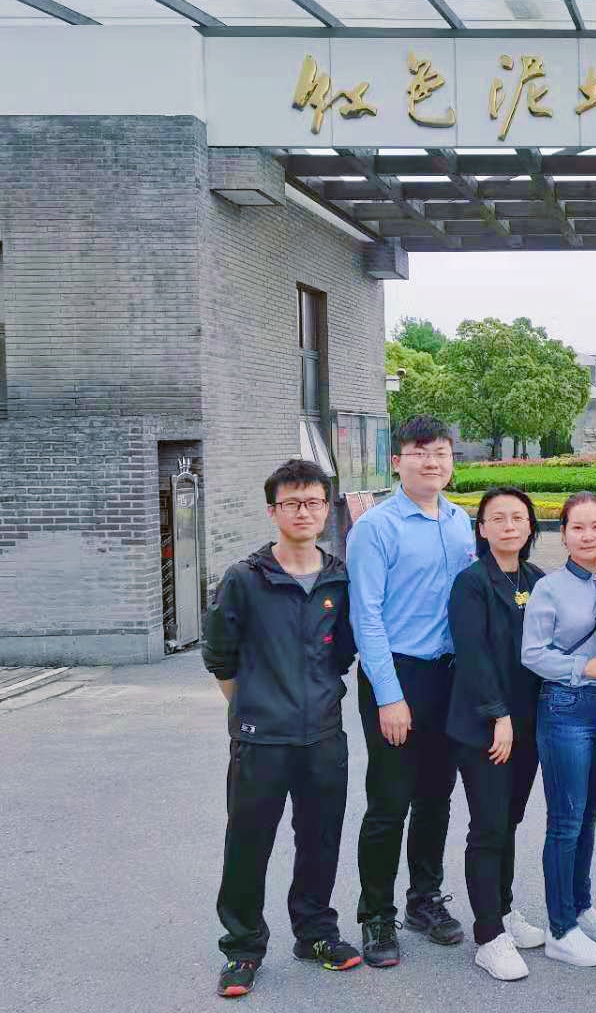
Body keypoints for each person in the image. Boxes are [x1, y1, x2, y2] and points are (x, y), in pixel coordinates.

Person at [203, 460, 361, 999]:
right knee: (248, 844)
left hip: (323, 736)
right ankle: (243, 948)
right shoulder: (245, 579)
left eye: (313, 502)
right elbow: (220, 657)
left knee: (320, 839)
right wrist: (253, 706)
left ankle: (314, 933)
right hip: (261, 738)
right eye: (292, 503)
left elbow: (343, 653)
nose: (303, 512)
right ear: (273, 511)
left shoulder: (339, 577)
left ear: (326, 508)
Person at [348, 416, 476, 968]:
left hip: (449, 677)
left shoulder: (460, 521)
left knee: (435, 797)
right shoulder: (376, 528)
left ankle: (424, 899)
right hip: (397, 675)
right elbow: (366, 616)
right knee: (389, 801)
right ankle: (376, 914)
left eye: (441, 452)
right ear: (397, 461)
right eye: (420, 452)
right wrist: (389, 695)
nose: (432, 462)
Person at [520, 491, 596, 968]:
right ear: (562, 534)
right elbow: (532, 653)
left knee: (588, 817)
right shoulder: (550, 588)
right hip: (567, 708)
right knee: (565, 821)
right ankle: (560, 928)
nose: (588, 536)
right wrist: (584, 667)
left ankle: (581, 908)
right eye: (577, 528)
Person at [447, 487, 549, 980]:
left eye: (518, 518)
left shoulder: (536, 579)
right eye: (498, 518)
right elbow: (472, 653)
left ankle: (504, 911)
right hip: (486, 726)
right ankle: (488, 936)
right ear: (482, 529)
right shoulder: (471, 583)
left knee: (508, 820)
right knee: (488, 826)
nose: (510, 526)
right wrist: (498, 715)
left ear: (530, 526)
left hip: (527, 724)